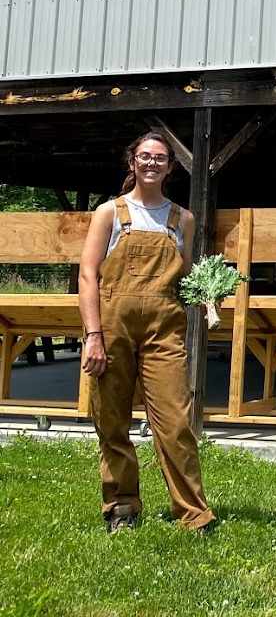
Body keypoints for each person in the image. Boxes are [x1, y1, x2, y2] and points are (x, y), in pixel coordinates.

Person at [78, 130, 216, 533]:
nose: (152, 163)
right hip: (112, 328)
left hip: (164, 331)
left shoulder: (182, 219)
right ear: (132, 162)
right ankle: (121, 505)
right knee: (112, 420)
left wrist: (209, 293)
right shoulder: (109, 212)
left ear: (170, 167)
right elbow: (88, 275)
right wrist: (93, 336)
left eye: (160, 158)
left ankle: (193, 513)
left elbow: (184, 278)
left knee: (175, 422)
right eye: (145, 156)